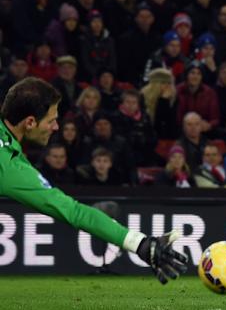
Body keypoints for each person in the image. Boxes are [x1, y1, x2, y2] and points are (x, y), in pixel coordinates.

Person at [0, 78, 187, 283]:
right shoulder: (8, 166)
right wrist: (141, 244)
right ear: (30, 122)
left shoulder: (11, 155)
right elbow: (75, 212)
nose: (55, 127)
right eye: (51, 120)